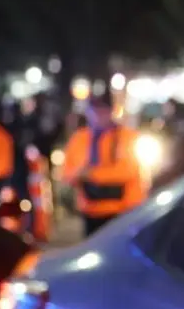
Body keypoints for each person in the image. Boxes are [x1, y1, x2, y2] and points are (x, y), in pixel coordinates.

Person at [62, 94, 145, 237]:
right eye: (94, 110)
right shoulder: (79, 139)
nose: (98, 115)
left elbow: (129, 171)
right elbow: (67, 174)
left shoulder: (127, 137)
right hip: (91, 211)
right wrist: (78, 174)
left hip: (123, 211)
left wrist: (91, 174)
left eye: (103, 110)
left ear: (111, 111)